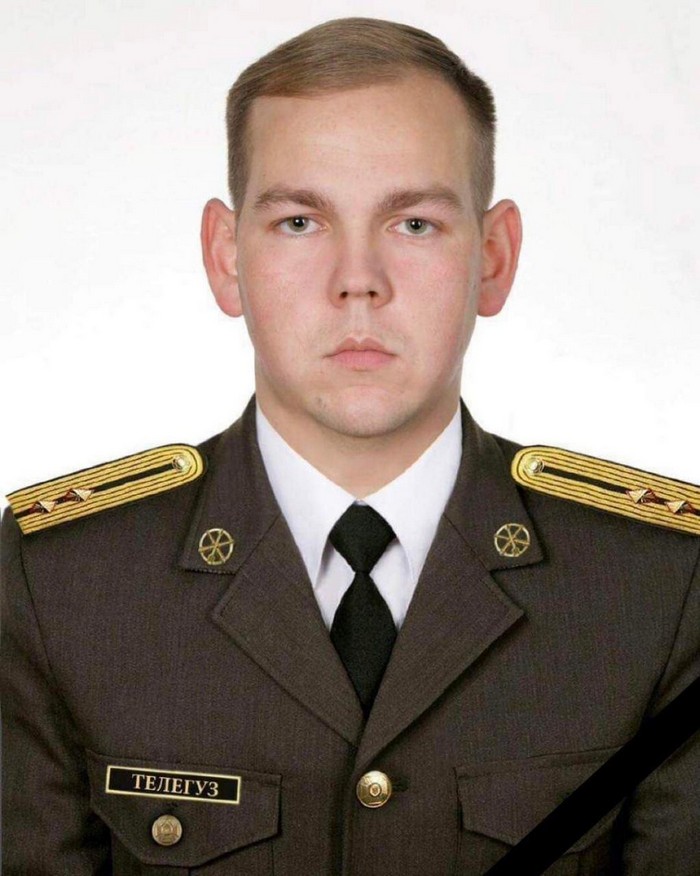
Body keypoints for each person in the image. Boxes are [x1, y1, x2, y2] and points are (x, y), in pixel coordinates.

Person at [1, 15, 698, 876]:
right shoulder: (60, 583)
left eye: (415, 224)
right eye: (300, 221)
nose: (357, 281)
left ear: (493, 257)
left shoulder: (660, 589)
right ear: (226, 256)